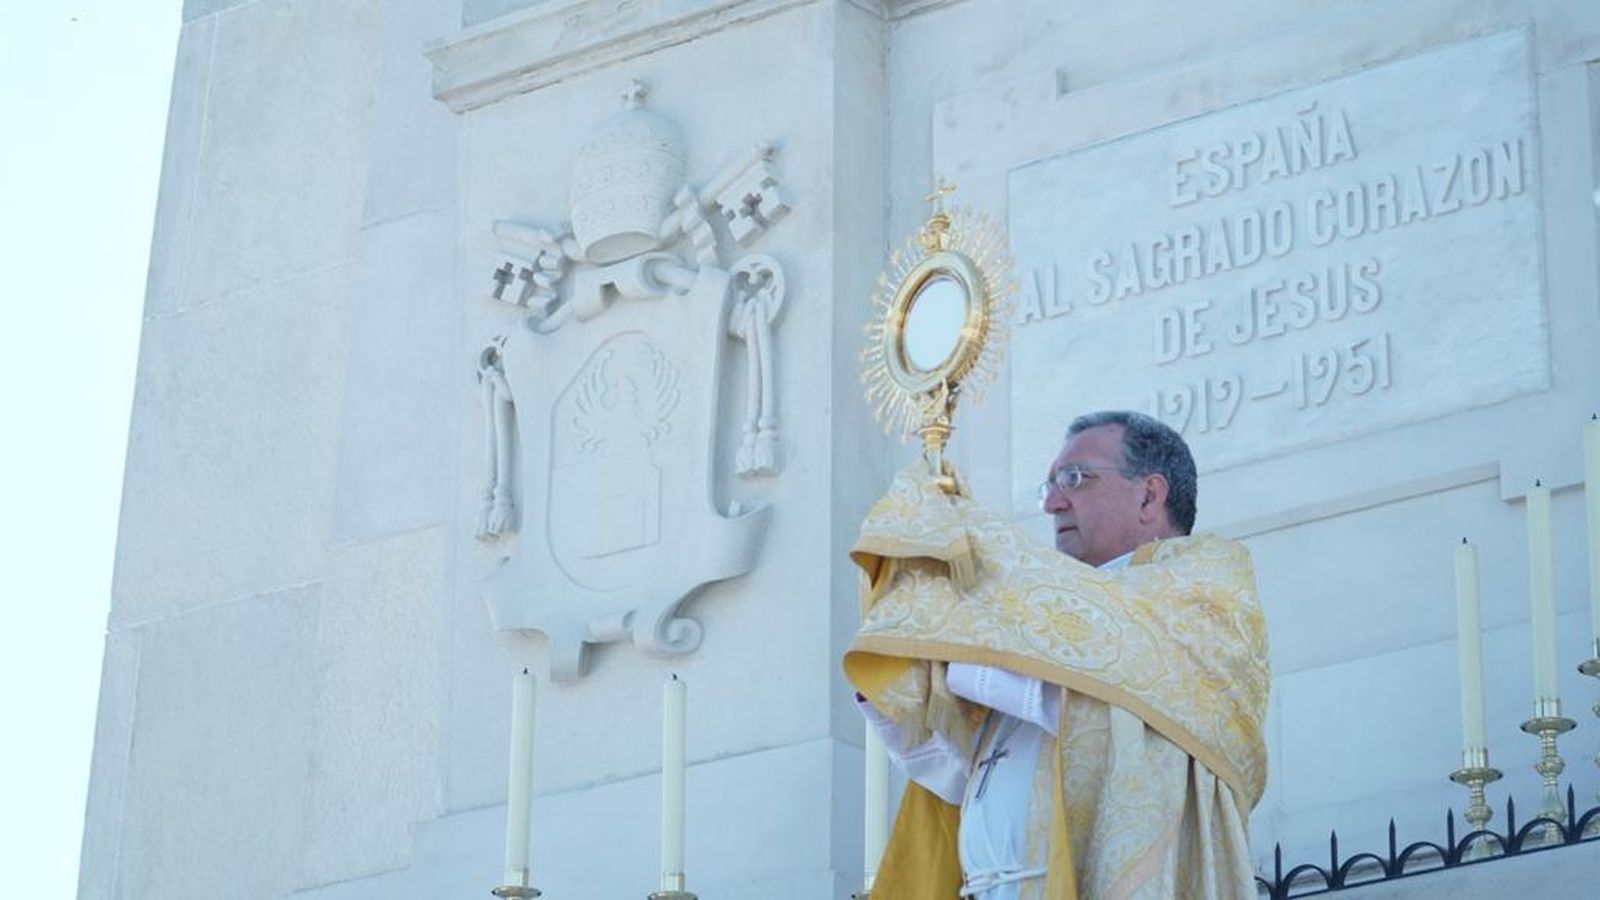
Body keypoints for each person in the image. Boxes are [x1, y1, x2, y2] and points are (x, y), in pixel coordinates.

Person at [844, 410, 1268, 899]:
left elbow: (1110, 712)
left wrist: (956, 656)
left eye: (1074, 478)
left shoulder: (1204, 590)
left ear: (1149, 494)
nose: (1051, 502)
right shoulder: (1032, 628)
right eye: (1047, 484)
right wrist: (903, 701)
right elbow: (962, 779)